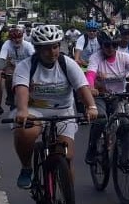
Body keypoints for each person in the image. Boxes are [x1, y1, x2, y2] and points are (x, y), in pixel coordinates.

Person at [11, 25, 98, 192]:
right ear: (37, 50)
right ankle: (27, 167)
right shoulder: (26, 66)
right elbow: (21, 88)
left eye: (55, 47)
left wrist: (91, 107)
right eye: (46, 49)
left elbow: (82, 87)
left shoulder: (68, 64)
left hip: (64, 111)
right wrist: (22, 110)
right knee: (24, 131)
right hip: (35, 111)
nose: (52, 53)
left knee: (67, 157)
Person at [83, 28, 129, 166]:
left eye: (115, 45)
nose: (111, 48)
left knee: (125, 124)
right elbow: (90, 75)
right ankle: (92, 148)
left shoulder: (125, 57)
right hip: (100, 96)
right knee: (100, 120)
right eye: (107, 45)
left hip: (119, 96)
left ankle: (126, 158)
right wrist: (91, 88)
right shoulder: (96, 57)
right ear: (101, 45)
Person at [0, 25, 34, 110]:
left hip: (26, 67)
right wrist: (0, 69)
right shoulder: (7, 44)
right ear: (10, 39)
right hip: (12, 67)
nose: (17, 40)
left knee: (33, 82)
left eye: (19, 38)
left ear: (22, 37)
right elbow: (2, 58)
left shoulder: (27, 45)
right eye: (14, 38)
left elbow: (34, 58)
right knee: (8, 78)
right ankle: (10, 97)